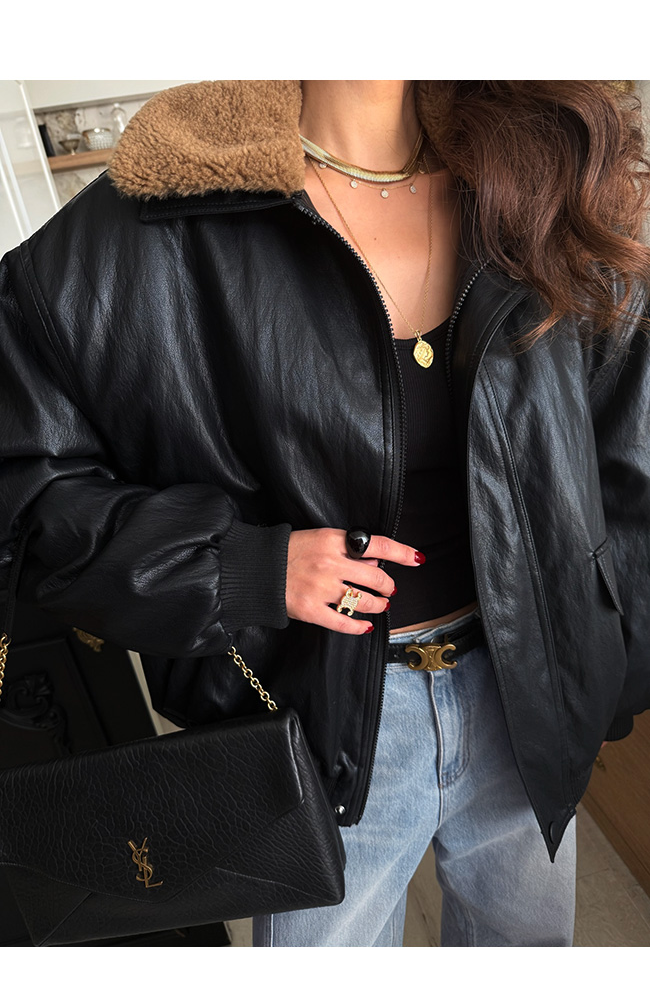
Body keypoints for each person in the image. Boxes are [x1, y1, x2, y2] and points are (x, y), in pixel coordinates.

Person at [1, 79, 649, 946]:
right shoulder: (155, 219)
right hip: (317, 718)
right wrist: (241, 568)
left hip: (523, 699)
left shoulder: (538, 175)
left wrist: (601, 669)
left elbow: (624, 454)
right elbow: (27, 484)